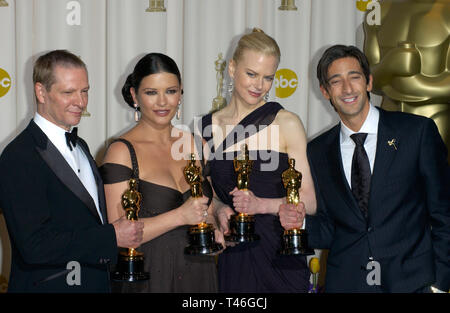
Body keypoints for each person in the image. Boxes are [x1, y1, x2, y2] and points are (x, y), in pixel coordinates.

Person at [279, 44, 450, 293]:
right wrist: (301, 223)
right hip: (348, 284)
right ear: (325, 91)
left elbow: (444, 213)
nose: (347, 89)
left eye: (354, 77)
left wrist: (439, 284)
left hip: (413, 284)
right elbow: (331, 228)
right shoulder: (317, 151)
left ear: (369, 82)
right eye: (336, 82)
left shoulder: (417, 132)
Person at [0, 50, 143, 293]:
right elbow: (34, 245)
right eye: (68, 92)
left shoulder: (81, 146)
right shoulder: (19, 156)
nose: (81, 102)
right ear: (41, 92)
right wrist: (111, 237)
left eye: (85, 90)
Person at [198, 28, 316, 292]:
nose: (258, 85)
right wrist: (218, 210)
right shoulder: (206, 128)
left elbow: (309, 201)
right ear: (231, 68)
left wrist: (260, 204)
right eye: (251, 74)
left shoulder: (286, 122)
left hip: (281, 255)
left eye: (268, 78)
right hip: (235, 257)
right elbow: (208, 194)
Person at [99, 53, 218, 293]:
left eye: (171, 91)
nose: (163, 102)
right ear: (134, 95)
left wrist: (219, 223)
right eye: (151, 92)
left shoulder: (198, 144)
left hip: (200, 274)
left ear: (181, 93)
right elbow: (118, 233)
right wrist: (180, 216)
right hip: (149, 278)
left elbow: (209, 209)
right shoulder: (121, 151)